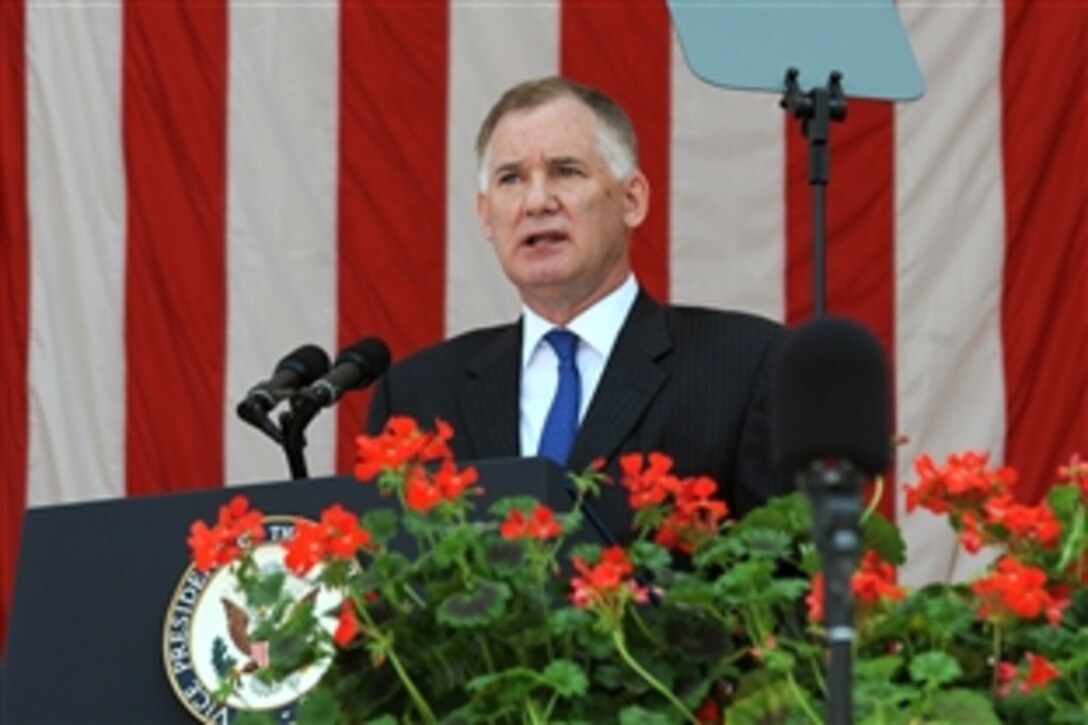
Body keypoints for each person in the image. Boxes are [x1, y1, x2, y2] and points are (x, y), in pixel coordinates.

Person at [365, 76, 789, 543]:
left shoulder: (747, 366)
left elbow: (789, 588)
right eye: (511, 179)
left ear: (632, 200)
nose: (537, 202)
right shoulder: (414, 395)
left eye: (566, 171)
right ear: (486, 216)